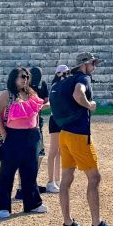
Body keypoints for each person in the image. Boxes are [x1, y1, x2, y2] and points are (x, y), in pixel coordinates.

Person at [56, 51, 113, 226]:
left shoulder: (65, 79)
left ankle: (68, 224)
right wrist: (89, 104)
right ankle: (96, 224)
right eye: (93, 63)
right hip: (78, 135)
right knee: (94, 177)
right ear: (85, 65)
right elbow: (78, 93)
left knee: (66, 179)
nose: (94, 67)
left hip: (64, 133)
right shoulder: (83, 78)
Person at [0, 66, 48, 218]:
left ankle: (32, 203)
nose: (24, 79)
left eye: (26, 76)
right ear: (13, 78)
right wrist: (4, 133)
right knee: (7, 172)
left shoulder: (31, 93)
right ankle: (3, 206)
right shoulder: (6, 94)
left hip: (32, 135)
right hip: (13, 136)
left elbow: (39, 108)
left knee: (30, 170)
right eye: (21, 76)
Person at [15, 66, 50, 201]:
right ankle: (21, 187)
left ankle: (29, 184)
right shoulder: (25, 89)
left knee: (38, 156)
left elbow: (43, 101)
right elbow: (42, 103)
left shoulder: (37, 87)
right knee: (28, 157)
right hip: (28, 125)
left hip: (35, 123)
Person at [44, 64, 69, 193]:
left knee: (61, 151)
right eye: (63, 73)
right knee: (53, 151)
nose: (66, 76)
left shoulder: (66, 86)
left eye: (67, 73)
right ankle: (50, 181)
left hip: (64, 120)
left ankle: (57, 179)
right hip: (56, 119)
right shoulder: (55, 87)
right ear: (58, 74)